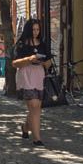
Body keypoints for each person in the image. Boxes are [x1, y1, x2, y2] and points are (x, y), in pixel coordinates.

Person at [12, 18, 51, 147]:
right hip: (26, 77)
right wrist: (29, 59)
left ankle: (25, 128)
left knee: (36, 109)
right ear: (29, 30)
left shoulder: (42, 44)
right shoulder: (22, 44)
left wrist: (43, 62)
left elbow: (49, 62)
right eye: (33, 29)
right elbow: (15, 63)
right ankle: (37, 138)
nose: (35, 32)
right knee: (34, 107)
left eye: (37, 30)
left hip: (39, 76)